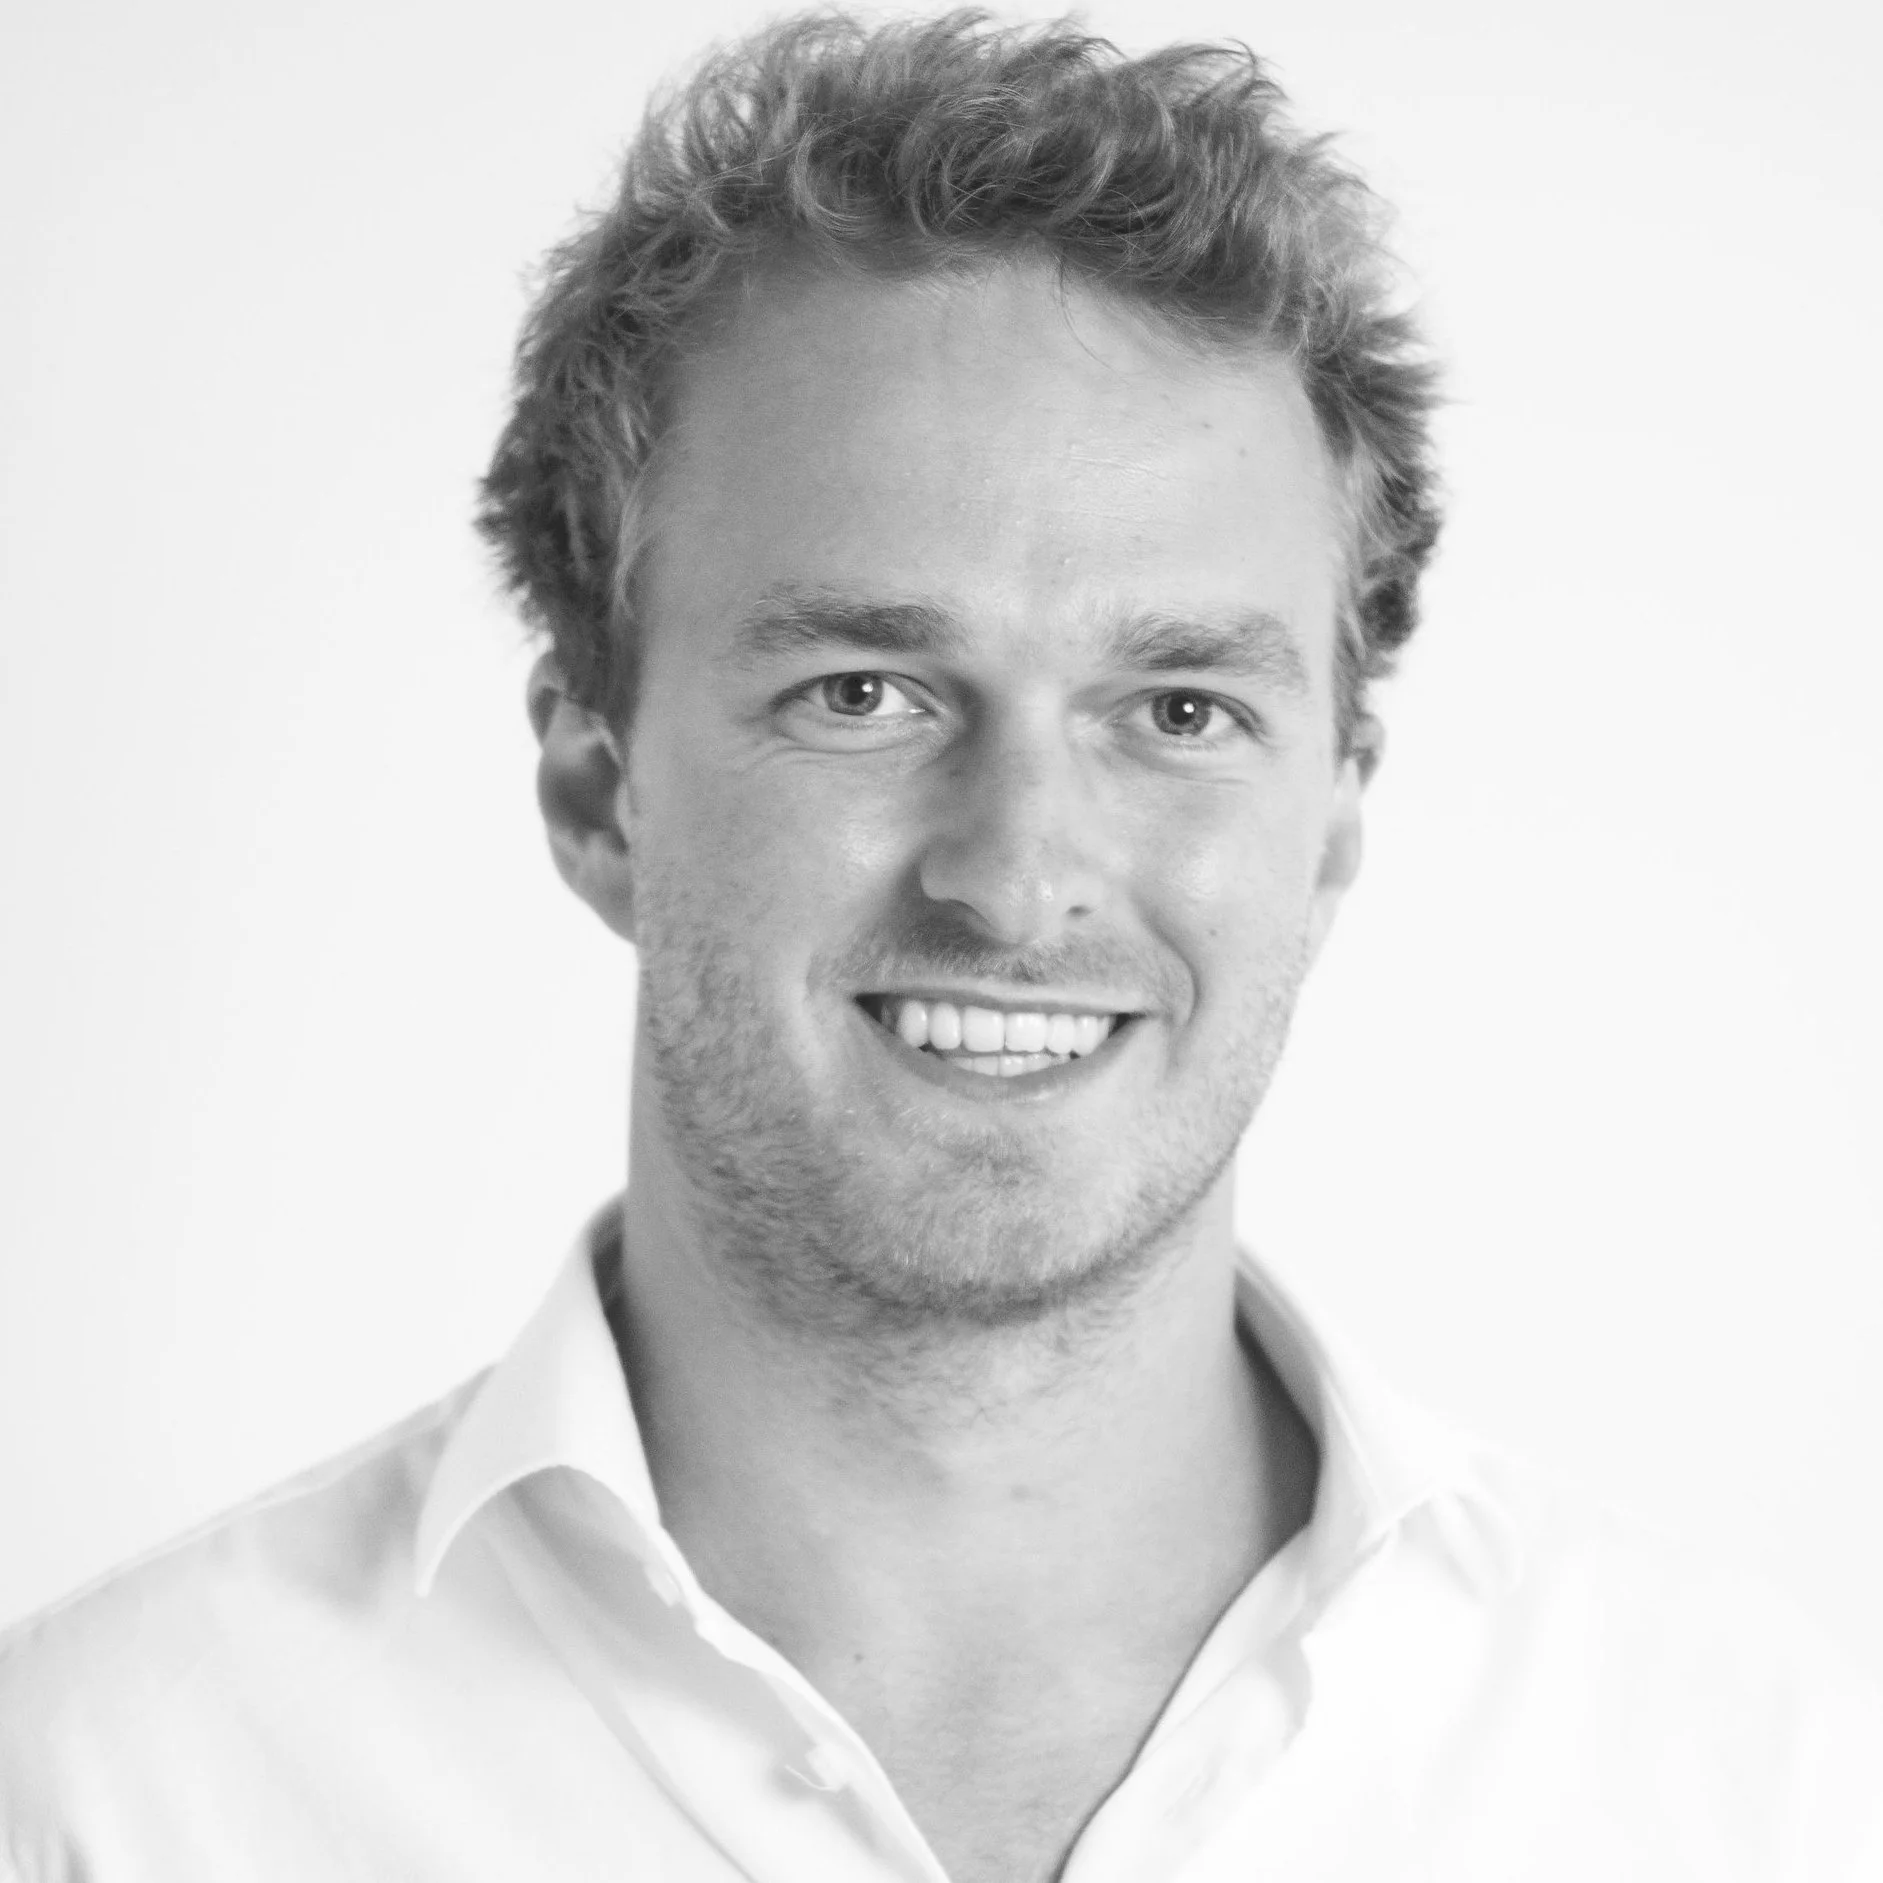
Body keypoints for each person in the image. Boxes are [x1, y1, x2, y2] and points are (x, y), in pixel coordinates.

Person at [2, 12, 1877, 1880]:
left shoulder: (1761, 1793)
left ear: (1329, 818)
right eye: (863, 691)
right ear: (596, 787)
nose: (1016, 878)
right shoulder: (104, 1801)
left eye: (1179, 710)